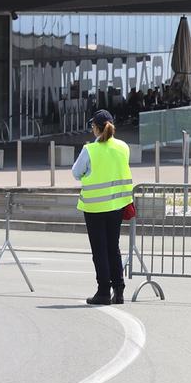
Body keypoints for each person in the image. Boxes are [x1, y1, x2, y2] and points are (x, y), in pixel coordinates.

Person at [72, 109, 135, 305]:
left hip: (94, 207)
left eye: (92, 126)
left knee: (99, 250)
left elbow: (76, 173)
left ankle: (103, 292)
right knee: (113, 248)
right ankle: (119, 290)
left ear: (96, 128)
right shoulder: (123, 147)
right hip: (117, 205)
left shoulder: (90, 149)